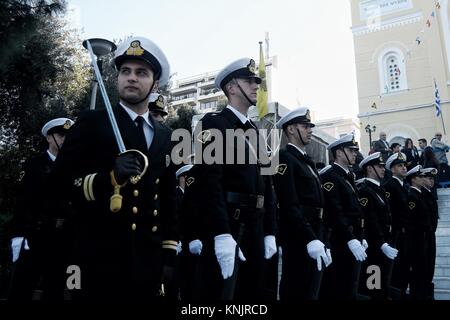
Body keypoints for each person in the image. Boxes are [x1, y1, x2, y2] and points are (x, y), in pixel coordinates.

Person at [49, 36, 178, 301]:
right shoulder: (92, 122)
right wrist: (109, 178)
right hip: (98, 257)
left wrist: (168, 253)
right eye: (125, 71)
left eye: (141, 73)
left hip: (147, 260)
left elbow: (168, 198)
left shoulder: (166, 136)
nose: (131, 78)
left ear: (154, 84)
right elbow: (57, 185)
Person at [183, 57, 277, 300]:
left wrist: (270, 231)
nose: (256, 86)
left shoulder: (257, 131)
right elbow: (210, 182)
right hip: (231, 226)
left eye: (257, 81)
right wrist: (222, 233)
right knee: (221, 295)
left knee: (252, 295)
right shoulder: (214, 123)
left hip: (255, 226)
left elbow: (268, 185)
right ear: (232, 88)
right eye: (250, 81)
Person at [9, 118, 74, 300]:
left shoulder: (74, 167)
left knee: (56, 290)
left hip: (63, 238)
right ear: (49, 138)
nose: (65, 139)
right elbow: (23, 201)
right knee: (22, 288)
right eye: (61, 135)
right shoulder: (33, 165)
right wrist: (19, 234)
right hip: (36, 235)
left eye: (68, 136)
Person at [273, 107, 331, 300]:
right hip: (298, 237)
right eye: (305, 126)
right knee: (297, 288)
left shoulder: (306, 161)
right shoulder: (284, 158)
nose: (310, 130)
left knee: (312, 289)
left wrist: (322, 238)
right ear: (290, 129)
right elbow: (289, 204)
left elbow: (320, 203)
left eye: (310, 126)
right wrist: (309, 238)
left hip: (315, 233)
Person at [319, 133, 367, 300]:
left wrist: (361, 235)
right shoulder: (330, 176)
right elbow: (335, 211)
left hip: (354, 236)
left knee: (351, 285)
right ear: (339, 153)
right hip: (341, 239)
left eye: (355, 150)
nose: (355, 153)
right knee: (340, 286)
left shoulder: (348, 175)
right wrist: (350, 238)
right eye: (351, 150)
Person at [357, 152, 397, 300]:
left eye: (382, 166)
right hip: (375, 248)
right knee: (374, 287)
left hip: (384, 245)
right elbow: (370, 221)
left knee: (382, 287)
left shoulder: (378, 189)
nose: (383, 169)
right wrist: (382, 243)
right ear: (369, 169)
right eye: (379, 166)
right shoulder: (365, 191)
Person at [383, 152, 411, 299]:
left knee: (404, 272)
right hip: (395, 236)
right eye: (400, 165)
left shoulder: (403, 187)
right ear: (392, 169)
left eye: (404, 165)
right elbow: (390, 213)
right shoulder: (389, 186)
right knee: (396, 274)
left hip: (405, 236)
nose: (404, 168)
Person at [406, 165, 430, 299]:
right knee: (417, 273)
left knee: (423, 272)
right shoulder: (412, 197)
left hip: (423, 239)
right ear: (413, 180)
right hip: (416, 241)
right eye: (420, 177)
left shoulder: (420, 195)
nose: (423, 179)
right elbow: (411, 222)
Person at [421, 167, 439, 299]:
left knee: (430, 268)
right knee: (424, 268)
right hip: (423, 237)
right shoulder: (420, 195)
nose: (431, 181)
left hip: (430, 234)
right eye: (429, 178)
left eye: (433, 179)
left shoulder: (430, 194)